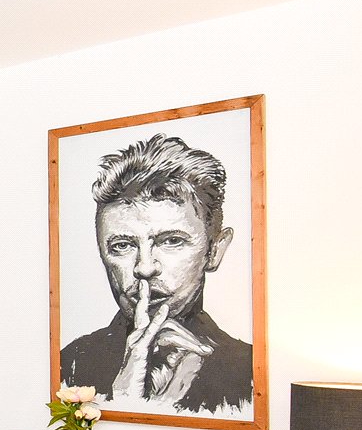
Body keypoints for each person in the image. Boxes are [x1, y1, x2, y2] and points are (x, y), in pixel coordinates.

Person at [60, 133, 252, 415]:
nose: (145, 267)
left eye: (171, 241)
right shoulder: (70, 364)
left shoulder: (249, 374)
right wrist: (124, 398)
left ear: (215, 250)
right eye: (122, 245)